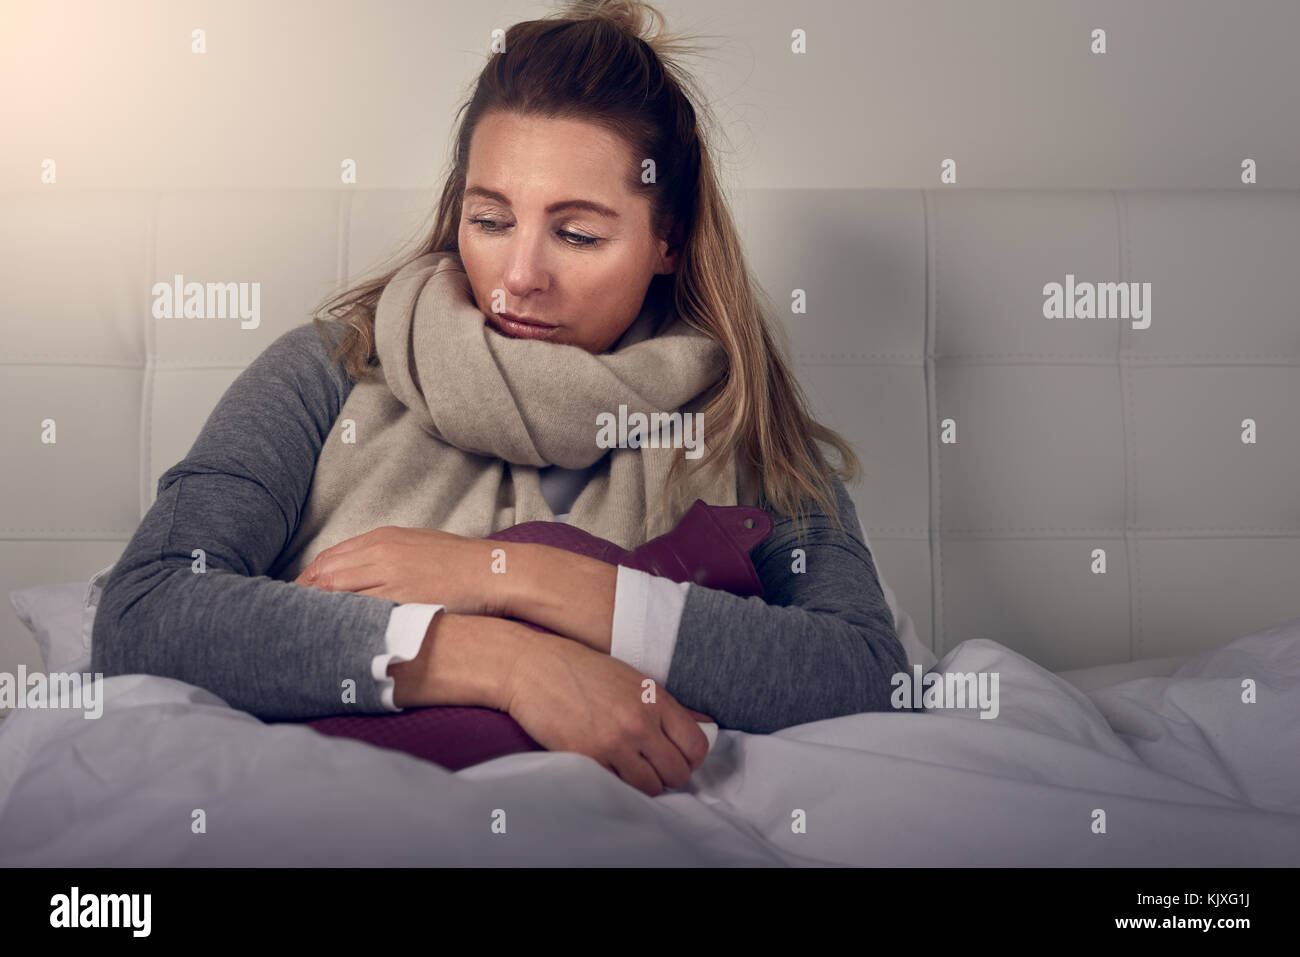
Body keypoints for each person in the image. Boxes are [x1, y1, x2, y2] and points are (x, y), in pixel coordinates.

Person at [92, 0, 908, 798]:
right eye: (490, 219)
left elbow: (863, 671)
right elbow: (146, 607)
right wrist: (508, 662)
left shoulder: (738, 419)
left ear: (669, 239)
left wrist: (510, 575)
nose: (520, 277)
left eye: (578, 234)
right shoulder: (330, 368)